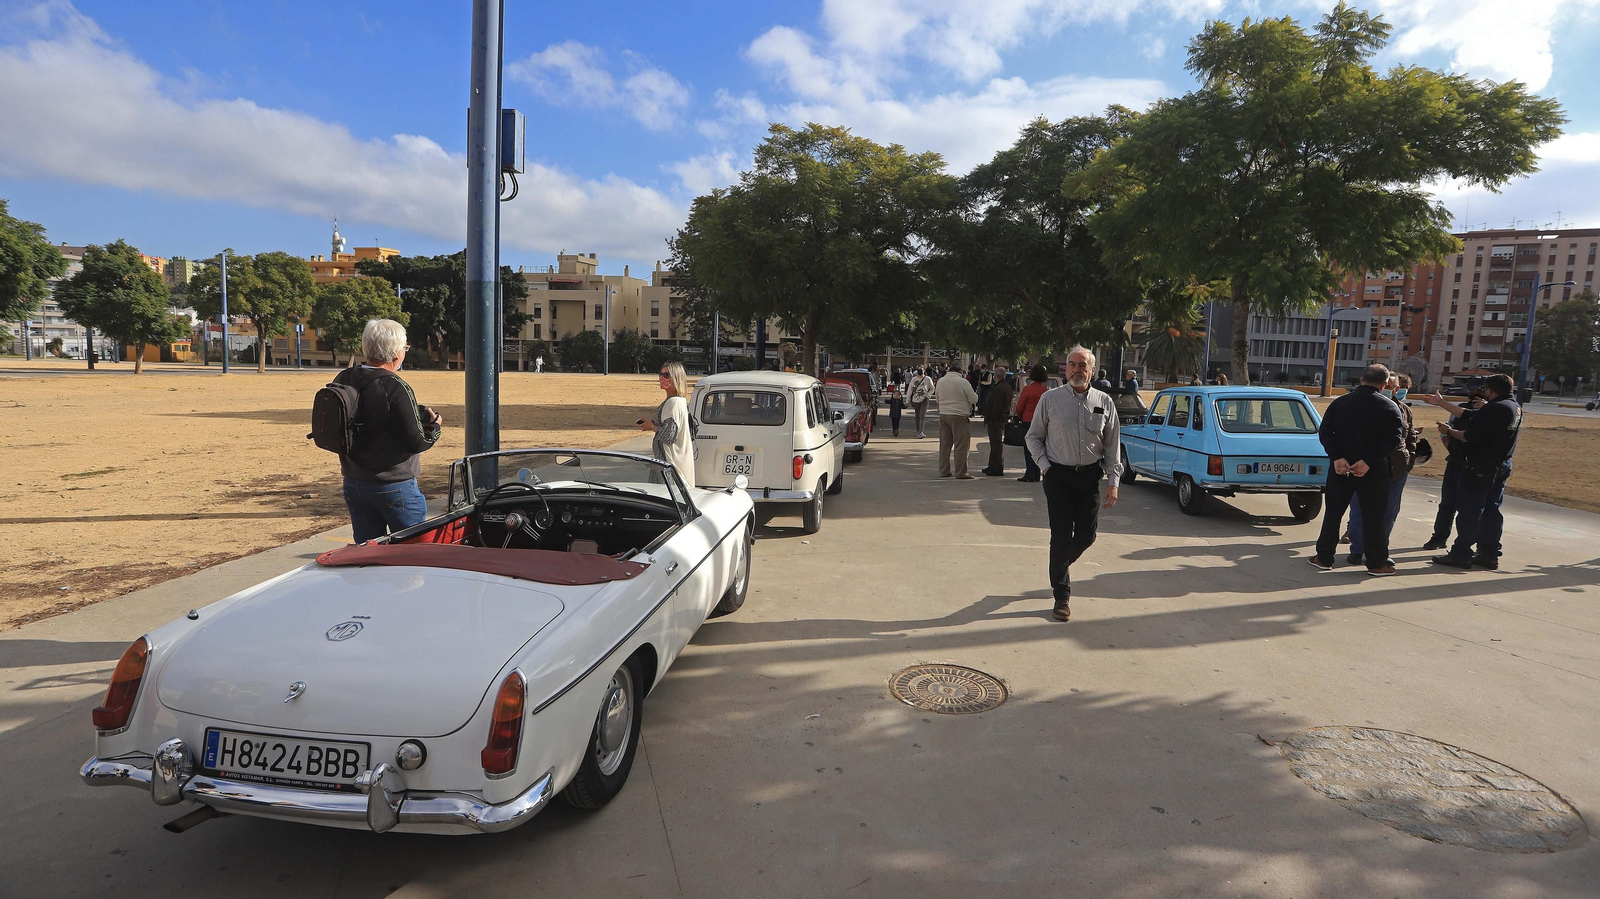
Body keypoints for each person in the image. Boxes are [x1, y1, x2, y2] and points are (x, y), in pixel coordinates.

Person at [1025, 347, 1120, 621]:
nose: (1077, 369)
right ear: (1065, 369)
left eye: (1083, 365)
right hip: (1058, 477)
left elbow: (1113, 445)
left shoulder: (1104, 401)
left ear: (1092, 370)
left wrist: (1114, 481)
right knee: (1061, 535)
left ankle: (1060, 565)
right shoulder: (1050, 399)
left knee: (1087, 536)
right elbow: (1033, 437)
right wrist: (1045, 467)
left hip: (1090, 476)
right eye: (1072, 364)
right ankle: (1061, 596)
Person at [335, 319, 443, 544]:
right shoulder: (395, 386)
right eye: (405, 348)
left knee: (368, 556)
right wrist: (435, 427)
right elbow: (417, 441)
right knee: (411, 555)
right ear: (396, 354)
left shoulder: (345, 378)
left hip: (354, 481)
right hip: (395, 485)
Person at [1309, 364, 1404, 575]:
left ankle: (1323, 557)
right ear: (1385, 384)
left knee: (1333, 514)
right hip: (1372, 469)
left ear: (1361, 379)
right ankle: (1377, 563)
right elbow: (1394, 439)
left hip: (1340, 467)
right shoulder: (1390, 407)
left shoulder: (1340, 403)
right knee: (1374, 517)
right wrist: (1368, 460)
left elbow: (1325, 432)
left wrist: (1337, 457)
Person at [1432, 374, 1521, 570]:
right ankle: (1488, 553)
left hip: (1481, 465)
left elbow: (1470, 436)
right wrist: (1442, 403)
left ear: (1491, 390)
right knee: (1491, 510)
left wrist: (1449, 432)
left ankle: (1461, 553)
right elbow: (1469, 415)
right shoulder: (1513, 406)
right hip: (1501, 464)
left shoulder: (1495, 408)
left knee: (1470, 511)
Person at [1347, 373, 1419, 565]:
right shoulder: (1362, 405)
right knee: (1359, 510)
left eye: (1394, 387)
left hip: (1395, 468)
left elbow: (1410, 438)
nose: (1392, 390)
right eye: (1388, 386)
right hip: (1365, 466)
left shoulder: (1404, 410)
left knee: (1389, 512)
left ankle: (1380, 550)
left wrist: (1408, 461)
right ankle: (1357, 549)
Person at [1419, 389, 1486, 550]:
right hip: (1456, 461)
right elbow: (1447, 430)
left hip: (1477, 464)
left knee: (1471, 507)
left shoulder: (1491, 413)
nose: (1474, 400)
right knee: (1447, 504)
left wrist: (1485, 409)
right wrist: (1449, 443)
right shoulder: (1460, 410)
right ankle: (1439, 537)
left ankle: (1470, 544)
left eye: (1480, 395)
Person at [639, 361, 695, 488]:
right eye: (660, 374)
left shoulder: (673, 403)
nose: (661, 378)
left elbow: (668, 436)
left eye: (666, 375)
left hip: (668, 467)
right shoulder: (678, 401)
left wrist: (651, 427)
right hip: (666, 464)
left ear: (676, 378)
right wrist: (653, 424)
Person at [936, 363, 980, 478]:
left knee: (945, 444)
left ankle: (944, 470)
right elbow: (974, 398)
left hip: (944, 414)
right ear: (960, 371)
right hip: (959, 415)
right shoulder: (962, 382)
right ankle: (961, 472)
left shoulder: (941, 381)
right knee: (961, 445)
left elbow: (937, 397)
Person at [1015, 365, 1050, 482]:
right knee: (1040, 448)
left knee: (1028, 448)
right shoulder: (1046, 390)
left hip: (1028, 420)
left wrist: (1019, 416)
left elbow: (1020, 406)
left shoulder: (1028, 389)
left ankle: (1029, 473)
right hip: (1043, 422)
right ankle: (1037, 473)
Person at [982, 364, 1015, 476]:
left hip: (996, 420)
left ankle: (997, 467)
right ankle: (992, 465)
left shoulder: (998, 389)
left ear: (996, 376)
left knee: (996, 444)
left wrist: (991, 418)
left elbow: (996, 406)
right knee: (994, 443)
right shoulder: (1007, 387)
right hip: (1002, 418)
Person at [907, 367, 936, 438]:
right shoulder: (914, 379)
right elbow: (910, 390)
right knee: (917, 416)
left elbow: (932, 388)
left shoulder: (928, 379)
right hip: (915, 399)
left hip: (924, 399)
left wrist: (928, 395)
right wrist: (907, 400)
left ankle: (921, 431)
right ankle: (918, 431)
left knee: (922, 415)